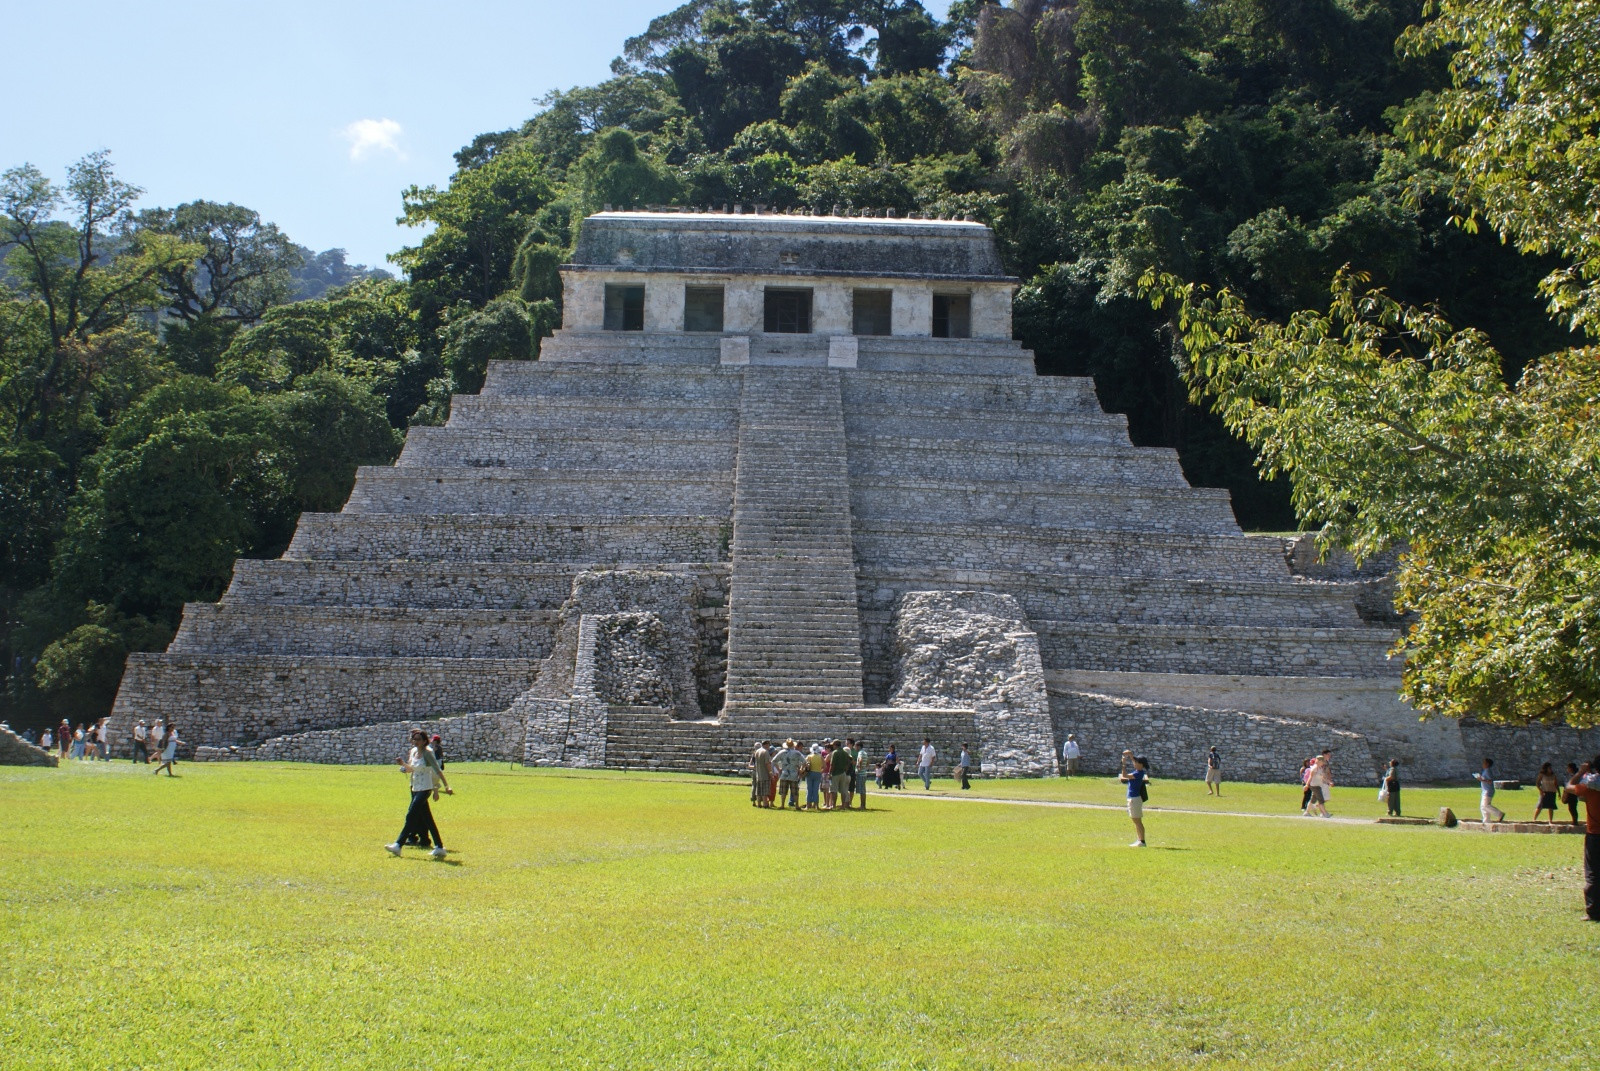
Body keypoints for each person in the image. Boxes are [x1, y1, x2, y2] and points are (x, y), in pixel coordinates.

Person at [386, 729, 451, 859]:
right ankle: (439, 847)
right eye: (414, 739)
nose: (415, 741)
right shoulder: (414, 752)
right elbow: (411, 769)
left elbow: (437, 771)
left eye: (418, 739)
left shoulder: (428, 753)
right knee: (428, 819)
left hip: (425, 788)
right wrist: (403, 764)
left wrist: (446, 786)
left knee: (411, 814)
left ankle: (398, 844)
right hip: (415, 787)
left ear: (424, 741)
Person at [1566, 760, 1600, 921]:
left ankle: (1593, 911)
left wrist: (1580, 772)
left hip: (1595, 834)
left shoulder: (1591, 787)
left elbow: (1569, 787)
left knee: (1593, 874)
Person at [1120, 753, 1149, 847]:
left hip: (1134, 799)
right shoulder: (1139, 771)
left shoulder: (1138, 773)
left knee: (1137, 821)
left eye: (1136, 762)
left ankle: (1142, 841)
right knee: (1135, 820)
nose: (1134, 763)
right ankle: (1139, 840)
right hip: (1133, 798)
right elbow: (1135, 762)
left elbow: (1124, 775)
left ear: (1141, 764)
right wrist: (1130, 755)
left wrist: (1123, 764)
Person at [774, 740, 804, 810]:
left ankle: (782, 805)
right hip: (794, 774)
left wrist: (779, 769)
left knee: (783, 791)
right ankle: (797, 805)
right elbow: (804, 762)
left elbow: (774, 761)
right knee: (795, 791)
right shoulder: (797, 753)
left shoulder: (782, 752)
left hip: (784, 773)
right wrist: (801, 770)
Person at [1475, 758, 1506, 824]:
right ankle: (1486, 820)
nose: (1483, 764)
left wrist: (1481, 780)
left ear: (1487, 764)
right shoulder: (1485, 771)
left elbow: (1490, 781)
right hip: (1485, 790)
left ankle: (1499, 814)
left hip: (1488, 791)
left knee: (1485, 806)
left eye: (1484, 763)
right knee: (1483, 806)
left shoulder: (1487, 771)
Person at [749, 741, 774, 809]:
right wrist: (771, 773)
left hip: (758, 774)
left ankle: (759, 803)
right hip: (765, 774)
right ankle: (765, 804)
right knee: (765, 790)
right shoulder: (765, 752)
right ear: (766, 745)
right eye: (768, 745)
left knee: (759, 790)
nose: (769, 747)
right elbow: (767, 763)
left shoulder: (757, 751)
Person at [804, 745, 823, 810]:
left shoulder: (809, 756)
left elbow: (804, 764)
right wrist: (820, 771)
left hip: (810, 773)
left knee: (809, 789)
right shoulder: (820, 757)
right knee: (815, 789)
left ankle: (808, 805)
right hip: (818, 773)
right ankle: (816, 805)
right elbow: (824, 766)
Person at [851, 738, 868, 810]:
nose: (855, 748)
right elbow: (868, 761)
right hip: (864, 773)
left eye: (855, 746)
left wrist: (859, 767)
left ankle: (862, 806)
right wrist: (864, 767)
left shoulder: (860, 753)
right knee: (863, 790)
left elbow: (860, 759)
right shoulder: (865, 752)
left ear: (858, 746)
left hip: (860, 774)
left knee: (861, 791)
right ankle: (863, 805)